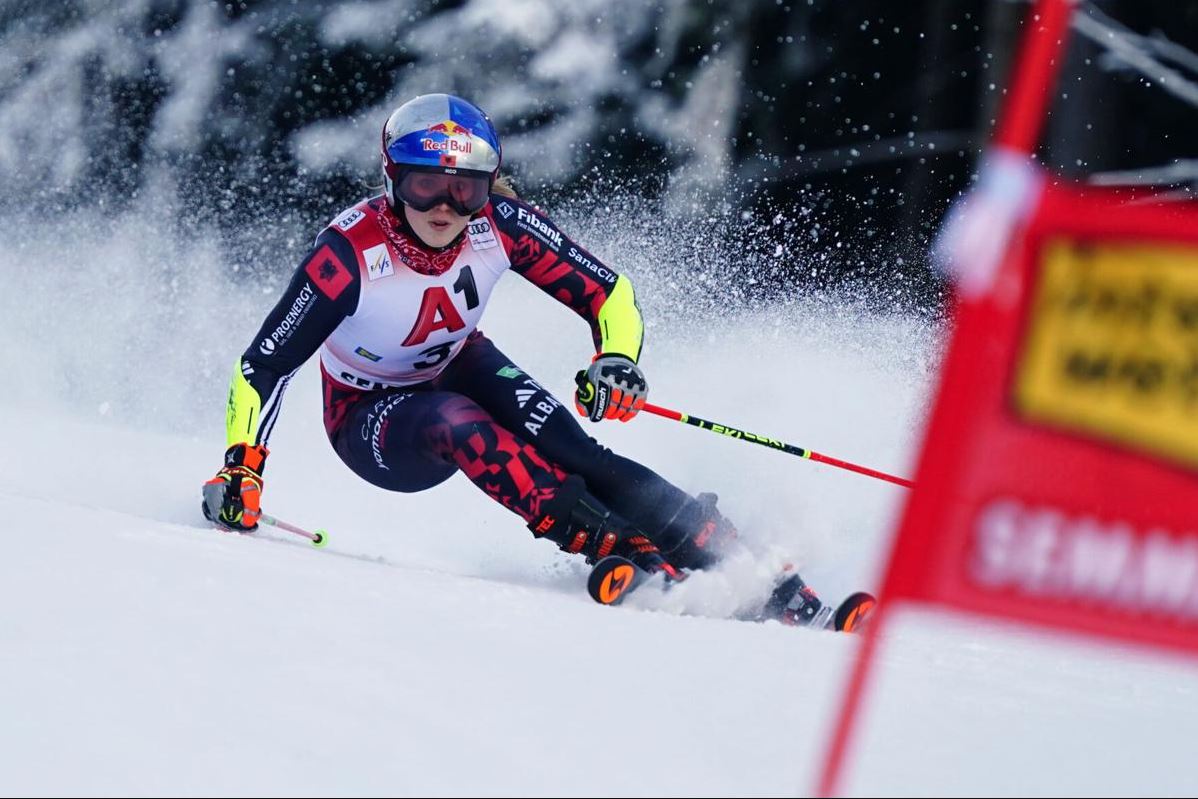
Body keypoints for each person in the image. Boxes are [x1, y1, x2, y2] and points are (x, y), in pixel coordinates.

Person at [201, 93, 815, 619]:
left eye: (464, 189)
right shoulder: (347, 255)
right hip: (369, 417)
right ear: (392, 179)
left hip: (459, 361)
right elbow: (265, 365)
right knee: (456, 422)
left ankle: (729, 552)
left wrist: (617, 360)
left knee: (578, 452)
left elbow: (611, 294)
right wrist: (241, 468)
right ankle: (606, 540)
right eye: (424, 184)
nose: (445, 207)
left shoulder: (500, 223)